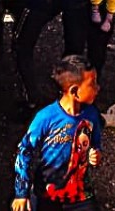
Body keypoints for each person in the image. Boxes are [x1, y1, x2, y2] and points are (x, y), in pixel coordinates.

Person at [13, 55, 103, 211]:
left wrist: (95, 155)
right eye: (92, 83)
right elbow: (25, 151)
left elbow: (95, 143)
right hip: (47, 194)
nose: (98, 87)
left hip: (80, 195)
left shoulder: (92, 115)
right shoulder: (46, 118)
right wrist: (22, 193)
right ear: (74, 91)